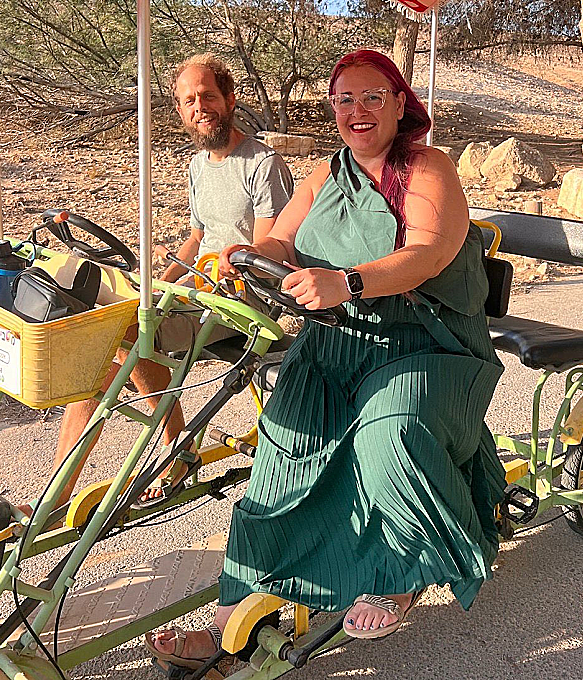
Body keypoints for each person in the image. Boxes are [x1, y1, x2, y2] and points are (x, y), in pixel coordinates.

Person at [146, 48, 506, 669]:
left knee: (390, 434)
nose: (356, 111)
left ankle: (402, 574)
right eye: (345, 100)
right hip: (335, 341)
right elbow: (279, 238)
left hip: (425, 345)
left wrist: (350, 281)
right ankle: (235, 616)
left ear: (399, 105)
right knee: (283, 449)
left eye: (372, 98)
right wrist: (246, 258)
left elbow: (429, 252)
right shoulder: (322, 175)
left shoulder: (429, 169)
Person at [48, 53, 294, 508]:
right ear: (180, 111)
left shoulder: (263, 164)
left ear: (230, 99)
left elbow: (267, 252)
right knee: (107, 343)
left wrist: (214, 275)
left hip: (245, 300)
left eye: (208, 96)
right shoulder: (199, 165)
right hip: (197, 291)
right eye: (189, 100)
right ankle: (58, 494)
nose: (200, 107)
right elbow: (197, 237)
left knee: (127, 331)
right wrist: (157, 282)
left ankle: (176, 449)